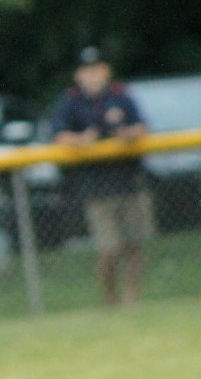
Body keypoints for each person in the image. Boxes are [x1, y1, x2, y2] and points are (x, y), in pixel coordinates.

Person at [51, 46, 151, 305]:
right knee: (109, 249)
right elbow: (58, 135)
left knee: (134, 245)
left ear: (106, 71)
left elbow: (142, 126)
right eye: (87, 70)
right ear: (78, 75)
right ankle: (111, 299)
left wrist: (129, 134)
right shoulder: (71, 100)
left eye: (97, 69)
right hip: (96, 186)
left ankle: (132, 299)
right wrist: (81, 140)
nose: (93, 75)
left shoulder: (121, 95)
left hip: (129, 180)